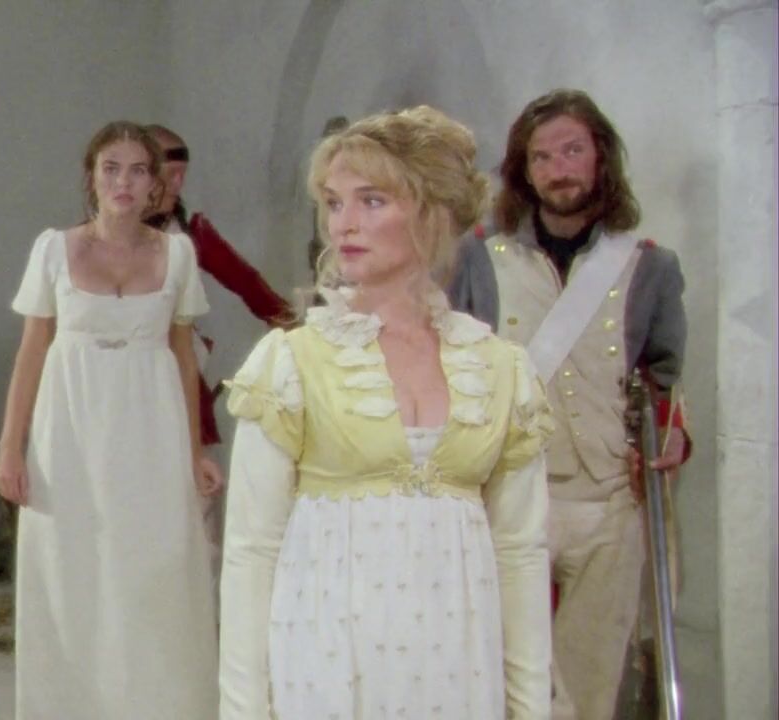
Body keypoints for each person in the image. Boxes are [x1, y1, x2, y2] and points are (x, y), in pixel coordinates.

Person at [219, 106, 553, 719]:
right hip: (328, 659)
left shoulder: (500, 369)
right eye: (334, 202)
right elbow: (251, 550)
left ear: (431, 212)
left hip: (457, 663)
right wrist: (243, 710)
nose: (343, 223)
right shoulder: (294, 361)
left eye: (371, 200)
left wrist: (530, 707)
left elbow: (520, 552)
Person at [449, 88, 689, 720]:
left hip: (608, 495)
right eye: (542, 157)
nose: (559, 169)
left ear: (600, 157)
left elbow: (663, 376)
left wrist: (673, 434)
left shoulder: (649, 267)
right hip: (511, 487)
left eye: (572, 151)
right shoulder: (479, 256)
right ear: (524, 172)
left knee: (590, 685)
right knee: (506, 676)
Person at [0, 121, 221, 719]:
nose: (124, 182)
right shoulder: (53, 249)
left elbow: (183, 357)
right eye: (111, 168)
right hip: (71, 428)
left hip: (152, 428)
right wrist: (10, 449)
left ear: (155, 184)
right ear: (91, 177)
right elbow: (31, 352)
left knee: (156, 568)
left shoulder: (178, 253)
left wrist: (195, 451)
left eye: (138, 170)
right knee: (71, 568)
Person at [142, 123, 294, 583]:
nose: (177, 185)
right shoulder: (101, 241)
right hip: (123, 381)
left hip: (179, 374)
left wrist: (293, 325)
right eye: (169, 174)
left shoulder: (190, 236)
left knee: (194, 501)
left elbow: (246, 282)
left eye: (182, 175)